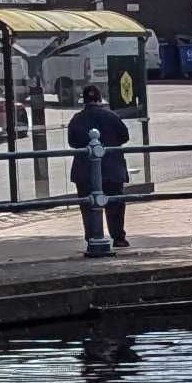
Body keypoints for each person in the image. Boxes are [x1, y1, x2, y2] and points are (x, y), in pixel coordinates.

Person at [66, 76, 131, 253]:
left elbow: (72, 142)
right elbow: (125, 136)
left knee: (88, 205)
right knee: (115, 203)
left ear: (84, 100)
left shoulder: (77, 118)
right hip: (112, 168)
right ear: (100, 99)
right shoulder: (111, 116)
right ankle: (118, 237)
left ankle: (93, 236)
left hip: (84, 170)